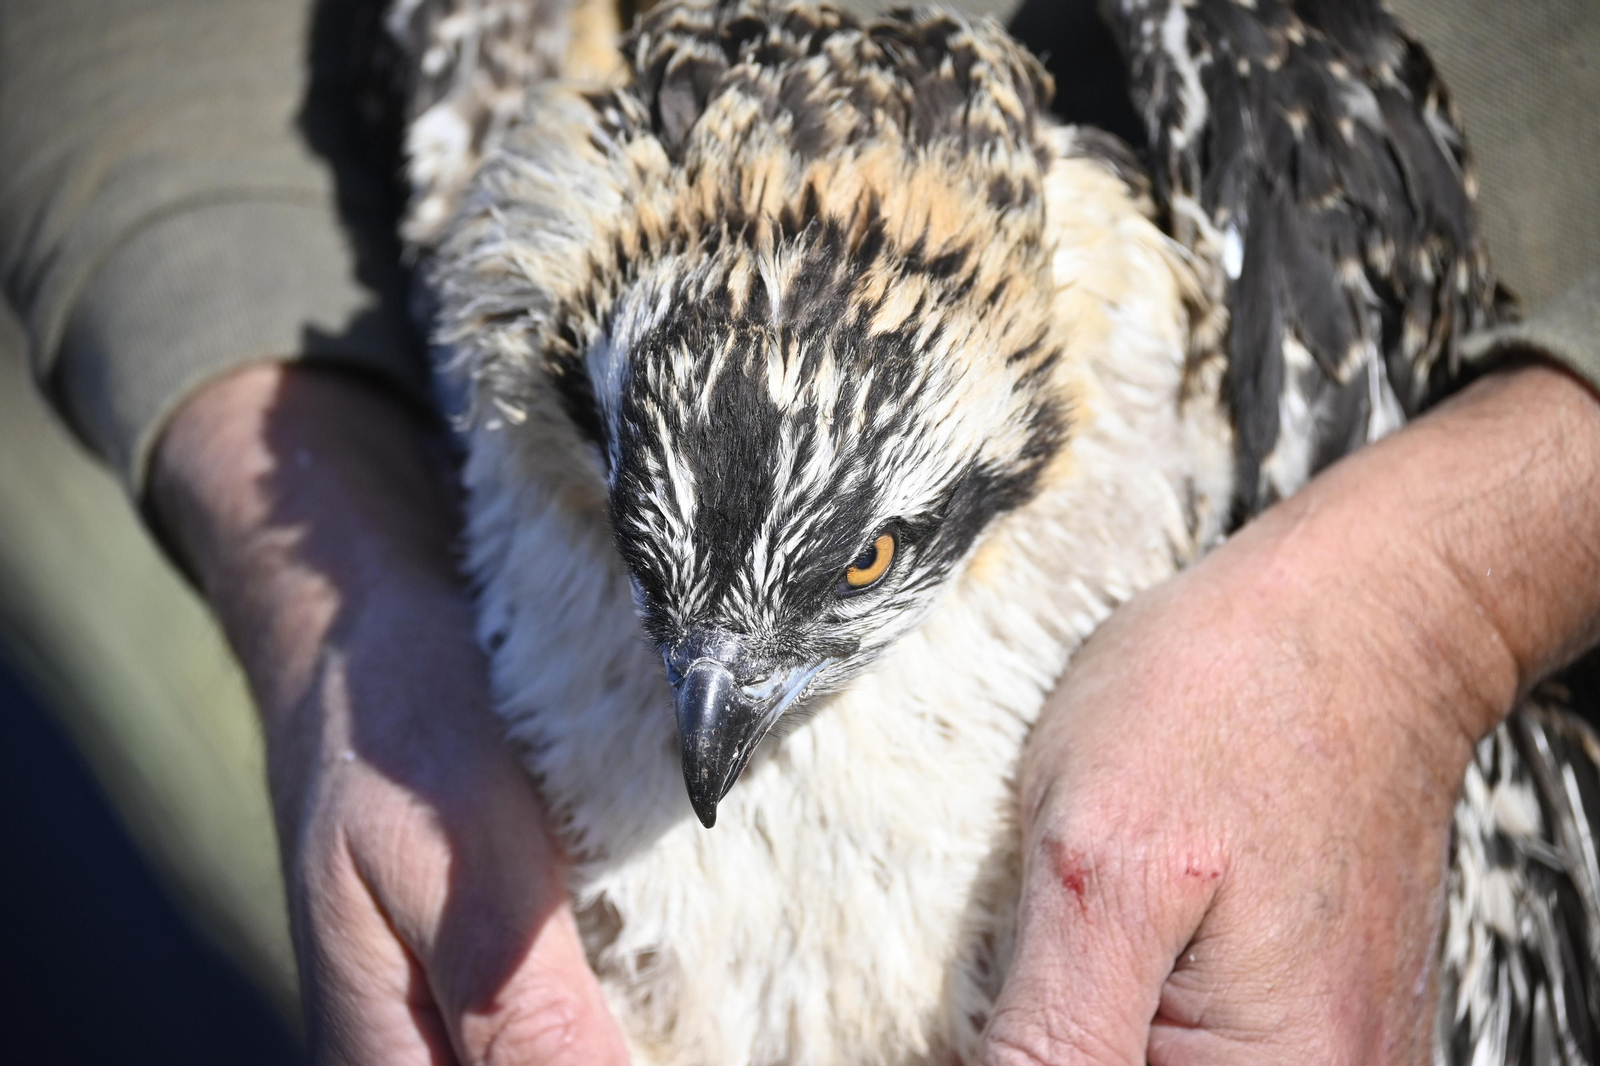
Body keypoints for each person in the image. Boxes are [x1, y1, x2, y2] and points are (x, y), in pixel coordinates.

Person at [3, 1, 1598, 1064]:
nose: (723, 707)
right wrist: (340, 606)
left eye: (856, 573)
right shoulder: (537, 188)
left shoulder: (1250, 137)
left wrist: (1434, 607)